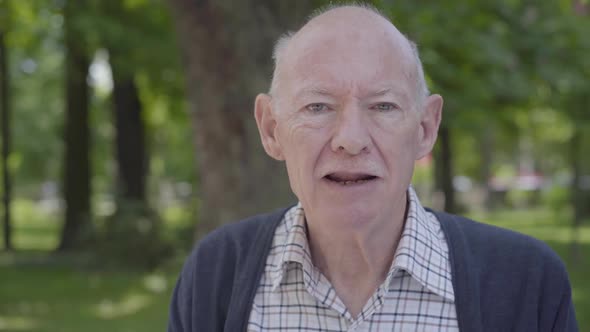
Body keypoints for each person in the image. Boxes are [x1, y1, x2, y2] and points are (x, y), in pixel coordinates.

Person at [167, 4, 578, 332]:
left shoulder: (527, 283)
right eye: (317, 106)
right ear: (271, 129)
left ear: (425, 128)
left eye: (382, 105)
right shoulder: (216, 275)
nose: (351, 138)